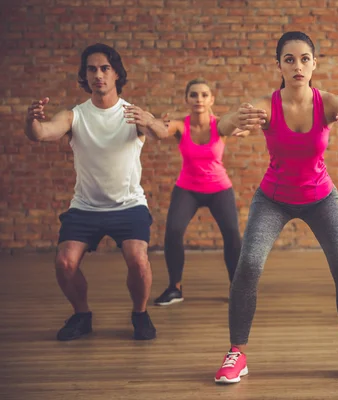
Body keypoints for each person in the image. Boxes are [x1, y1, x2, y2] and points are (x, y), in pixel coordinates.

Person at [213, 31, 338, 384]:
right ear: (279, 66)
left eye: (305, 58)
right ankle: (237, 353)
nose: (298, 65)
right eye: (289, 59)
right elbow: (223, 125)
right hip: (272, 199)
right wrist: (235, 121)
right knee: (249, 264)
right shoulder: (267, 104)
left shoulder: (329, 102)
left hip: (321, 198)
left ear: (314, 63)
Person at [24, 43, 167, 341]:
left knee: (138, 260)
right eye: (92, 69)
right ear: (85, 75)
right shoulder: (74, 116)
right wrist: (32, 120)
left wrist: (150, 122)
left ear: (116, 74)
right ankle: (81, 315)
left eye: (104, 68)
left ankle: (140, 314)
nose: (98, 75)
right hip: (85, 207)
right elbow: (41, 134)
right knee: (64, 262)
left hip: (129, 205)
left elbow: (162, 133)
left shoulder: (133, 114)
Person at [153, 79, 244, 306]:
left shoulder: (220, 125)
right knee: (173, 231)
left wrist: (245, 125)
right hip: (188, 188)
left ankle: (237, 287)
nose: (199, 99)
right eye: (194, 95)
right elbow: (162, 131)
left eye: (204, 95)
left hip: (219, 188)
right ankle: (175, 288)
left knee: (232, 234)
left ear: (211, 99)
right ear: (187, 99)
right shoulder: (180, 126)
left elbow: (236, 126)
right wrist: (152, 122)